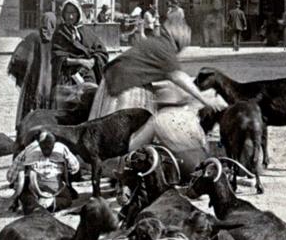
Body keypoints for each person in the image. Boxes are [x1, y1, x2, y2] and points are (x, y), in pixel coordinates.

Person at [88, 14, 227, 176]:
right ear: (178, 39)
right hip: (127, 86)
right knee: (133, 130)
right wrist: (205, 99)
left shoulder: (155, 43)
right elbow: (178, 77)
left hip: (113, 81)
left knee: (110, 130)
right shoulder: (165, 48)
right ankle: (123, 167)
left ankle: (105, 166)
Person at [4, 129, 80, 213]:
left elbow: (10, 176)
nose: (46, 151)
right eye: (44, 148)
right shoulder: (61, 148)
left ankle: (33, 205)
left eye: (49, 147)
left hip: (35, 186)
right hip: (53, 186)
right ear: (39, 145)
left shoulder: (29, 148)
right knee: (67, 199)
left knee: (26, 195)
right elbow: (75, 168)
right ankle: (50, 204)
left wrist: (18, 180)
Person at [8, 9, 58, 128]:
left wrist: (22, 77)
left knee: (30, 111)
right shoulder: (58, 39)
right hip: (51, 84)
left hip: (32, 84)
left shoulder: (32, 37)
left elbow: (17, 59)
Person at [51, 0, 109, 86]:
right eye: (68, 13)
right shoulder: (59, 32)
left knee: (93, 91)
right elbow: (57, 57)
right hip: (68, 74)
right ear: (63, 14)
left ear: (78, 13)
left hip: (87, 72)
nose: (70, 17)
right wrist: (80, 61)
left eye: (73, 13)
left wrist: (93, 61)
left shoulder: (86, 32)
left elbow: (101, 51)